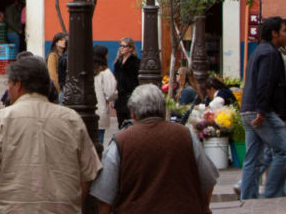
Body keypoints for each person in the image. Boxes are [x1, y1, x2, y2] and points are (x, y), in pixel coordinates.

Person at [0, 56, 101, 213]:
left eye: (9, 84)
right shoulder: (71, 119)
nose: (8, 89)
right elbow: (89, 171)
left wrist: (11, 183)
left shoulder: (1, 119)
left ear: (18, 84)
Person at [89, 84, 219, 213]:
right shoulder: (185, 135)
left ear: (133, 113)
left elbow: (104, 196)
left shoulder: (120, 142)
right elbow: (208, 179)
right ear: (163, 110)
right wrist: (203, 208)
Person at [240, 16, 286, 199]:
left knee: (252, 159)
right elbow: (265, 82)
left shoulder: (258, 51)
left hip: (247, 109)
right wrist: (262, 111)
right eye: (284, 31)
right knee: (284, 150)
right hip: (258, 111)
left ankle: (247, 199)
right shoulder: (271, 53)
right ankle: (273, 194)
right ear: (274, 33)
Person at [112, 37, 140, 126]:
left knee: (130, 122)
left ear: (131, 48)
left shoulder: (136, 62)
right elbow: (115, 80)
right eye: (121, 46)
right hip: (120, 97)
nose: (121, 48)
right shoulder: (118, 62)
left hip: (131, 95)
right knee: (120, 122)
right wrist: (112, 99)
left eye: (124, 46)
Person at [93, 46, 117, 144]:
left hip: (86, 112)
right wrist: (114, 97)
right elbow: (111, 93)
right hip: (100, 111)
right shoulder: (105, 73)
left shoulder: (87, 70)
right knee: (99, 140)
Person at [47, 32, 67, 96]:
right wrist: (59, 90)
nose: (64, 42)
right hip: (59, 89)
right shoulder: (53, 56)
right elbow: (53, 75)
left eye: (65, 40)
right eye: (61, 40)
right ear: (56, 42)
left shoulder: (65, 55)